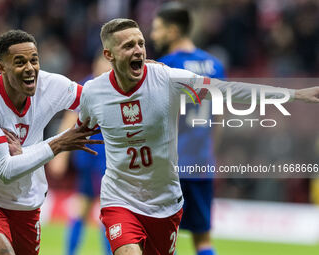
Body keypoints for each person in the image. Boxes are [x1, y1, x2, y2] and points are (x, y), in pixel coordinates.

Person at [78, 18, 319, 255]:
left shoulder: (167, 80)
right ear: (109, 55)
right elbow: (80, 127)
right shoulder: (93, 92)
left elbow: (228, 91)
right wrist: (56, 148)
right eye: (128, 46)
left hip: (164, 202)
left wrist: (294, 94)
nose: (139, 50)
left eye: (140, 43)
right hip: (120, 199)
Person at [0, 30, 103, 255]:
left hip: (27, 201)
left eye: (34, 60)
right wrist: (59, 143)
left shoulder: (51, 85)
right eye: (19, 62)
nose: (29, 68)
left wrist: (142, 77)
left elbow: (97, 104)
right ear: (2, 68)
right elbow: (5, 169)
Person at [150, 3, 223, 255]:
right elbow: (218, 119)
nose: (153, 35)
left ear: (173, 31)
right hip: (202, 163)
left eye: (157, 29)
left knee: (162, 236)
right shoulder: (215, 65)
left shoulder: (166, 66)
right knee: (202, 237)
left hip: (171, 163)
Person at [49, 53, 112, 255]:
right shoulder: (87, 88)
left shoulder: (115, 88)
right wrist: (59, 155)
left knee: (93, 208)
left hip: (106, 158)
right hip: (93, 158)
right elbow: (70, 119)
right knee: (99, 208)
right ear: (95, 64)